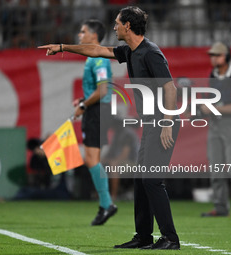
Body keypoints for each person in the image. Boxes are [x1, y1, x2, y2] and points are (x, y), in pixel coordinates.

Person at [39, 6, 180, 250]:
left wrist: (166, 123)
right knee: (140, 180)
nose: (113, 27)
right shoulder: (130, 51)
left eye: (117, 23)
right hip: (150, 124)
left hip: (163, 122)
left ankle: (170, 239)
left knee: (152, 180)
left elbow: (170, 88)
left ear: (128, 26)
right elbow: (96, 50)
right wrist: (63, 47)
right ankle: (144, 236)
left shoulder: (151, 53)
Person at [72, 19, 117, 226]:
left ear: (94, 35)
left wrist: (83, 105)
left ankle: (107, 204)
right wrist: (83, 101)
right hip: (97, 109)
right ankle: (104, 204)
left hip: (98, 110)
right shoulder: (93, 57)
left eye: (83, 32)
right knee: (91, 158)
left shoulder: (98, 59)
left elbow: (103, 91)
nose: (79, 35)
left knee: (92, 158)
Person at [200, 42, 231, 218]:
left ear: (226, 57)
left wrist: (212, 108)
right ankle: (220, 207)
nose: (213, 58)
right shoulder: (212, 75)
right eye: (212, 55)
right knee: (216, 168)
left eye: (217, 55)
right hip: (215, 125)